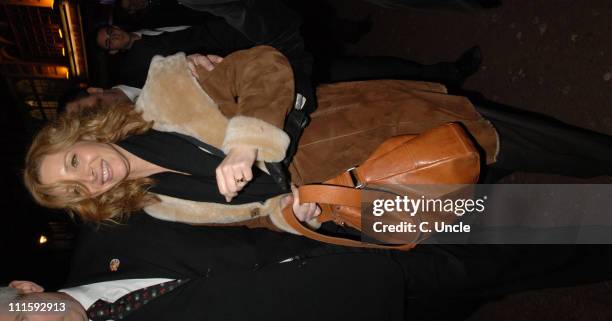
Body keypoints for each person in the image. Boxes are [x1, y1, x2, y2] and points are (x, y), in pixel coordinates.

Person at [23, 45, 612, 233]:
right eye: (72, 188)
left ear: (79, 134)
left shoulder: (166, 88)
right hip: (362, 199)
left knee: (533, 145)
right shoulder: (156, 207)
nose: (88, 176)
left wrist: (247, 143)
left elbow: (267, 67)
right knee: (518, 218)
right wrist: (289, 213)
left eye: (73, 161)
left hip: (379, 127)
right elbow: (255, 216)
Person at [3, 214, 611, 321]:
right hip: (373, 308)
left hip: (344, 237)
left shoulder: (106, 234)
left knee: (501, 232)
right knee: (499, 280)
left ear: (24, 288)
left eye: (17, 316)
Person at [96, 23, 253, 87]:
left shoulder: (150, 17)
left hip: (223, 25)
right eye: (109, 42)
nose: (114, 37)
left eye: (110, 32)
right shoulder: (140, 66)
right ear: (113, 51)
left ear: (115, 26)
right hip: (229, 53)